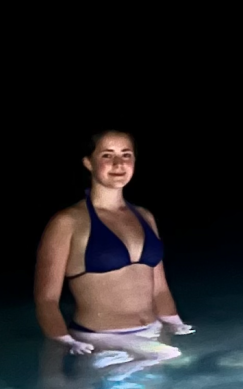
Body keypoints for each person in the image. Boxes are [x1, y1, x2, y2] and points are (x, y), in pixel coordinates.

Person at [34, 130, 192, 365]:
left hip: (154, 333)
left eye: (126, 155)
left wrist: (175, 325)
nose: (118, 163)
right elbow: (46, 300)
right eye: (107, 156)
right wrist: (63, 347)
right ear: (89, 163)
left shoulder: (145, 216)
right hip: (99, 342)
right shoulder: (68, 222)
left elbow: (159, 289)